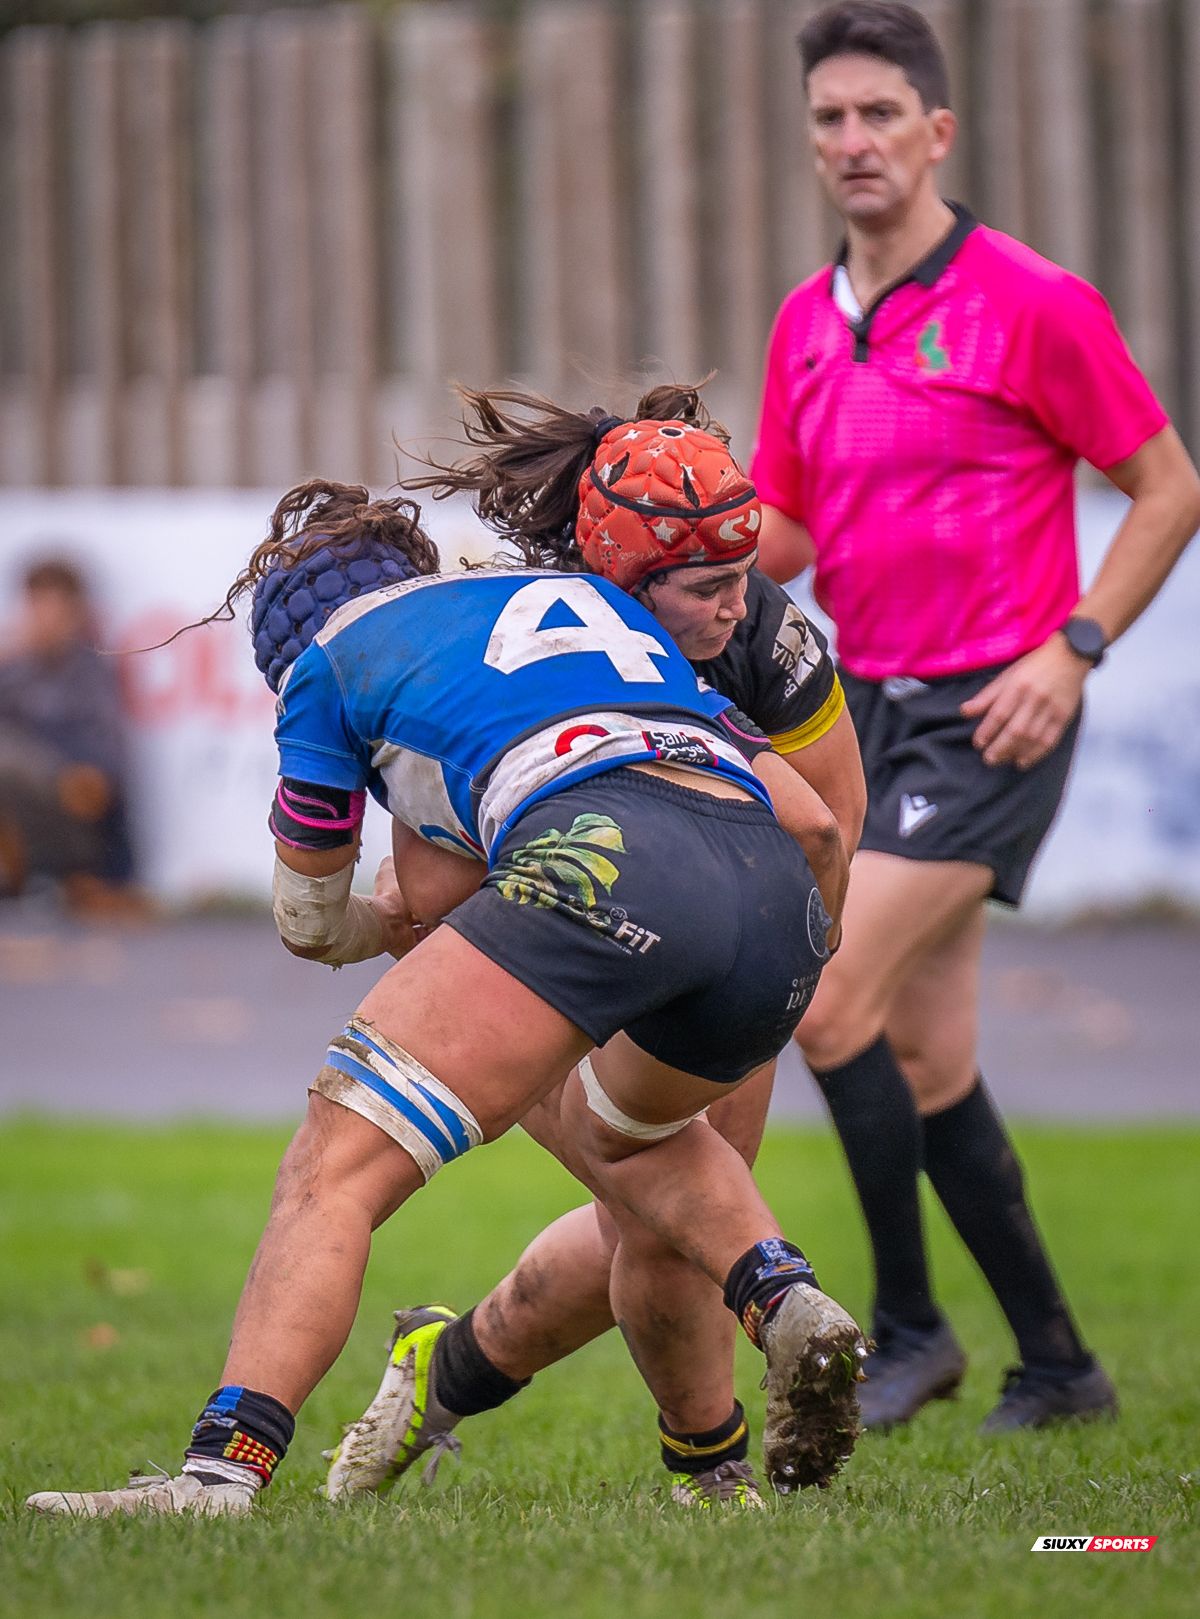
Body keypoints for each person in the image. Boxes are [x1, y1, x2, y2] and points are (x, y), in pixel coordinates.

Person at [27, 476, 866, 1520]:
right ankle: (784, 1303)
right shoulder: (584, 601)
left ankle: (217, 1474)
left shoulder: (330, 663)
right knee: (635, 1141)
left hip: (606, 856)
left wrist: (387, 930)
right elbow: (817, 821)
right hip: (773, 893)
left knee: (338, 1157)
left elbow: (315, 920)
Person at [749, 0, 1200, 1431]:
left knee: (826, 998)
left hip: (994, 714)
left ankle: (908, 1332)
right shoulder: (806, 323)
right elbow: (786, 529)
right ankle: (1060, 1367)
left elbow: (1169, 487)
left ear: (939, 132)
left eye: (881, 112)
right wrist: (650, 543)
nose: (853, 140)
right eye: (831, 116)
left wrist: (1073, 651)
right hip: (860, 719)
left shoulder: (1032, 300)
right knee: (927, 1055)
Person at [325, 380, 867, 1507]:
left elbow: (834, 815)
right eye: (706, 588)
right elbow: (427, 886)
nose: (734, 607)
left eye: (741, 580)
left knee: (668, 1216)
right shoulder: (521, 628)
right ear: (618, 581)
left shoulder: (766, 628)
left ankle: (445, 1370)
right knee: (669, 1209)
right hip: (553, 935)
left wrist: (780, 970)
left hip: (731, 928)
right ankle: (709, 1477)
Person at [0, 558, 142, 914]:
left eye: (55, 610)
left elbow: (106, 768)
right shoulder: (15, 668)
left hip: (77, 812)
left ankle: (66, 878)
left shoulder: (91, 672)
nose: (45, 620)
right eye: (37, 607)